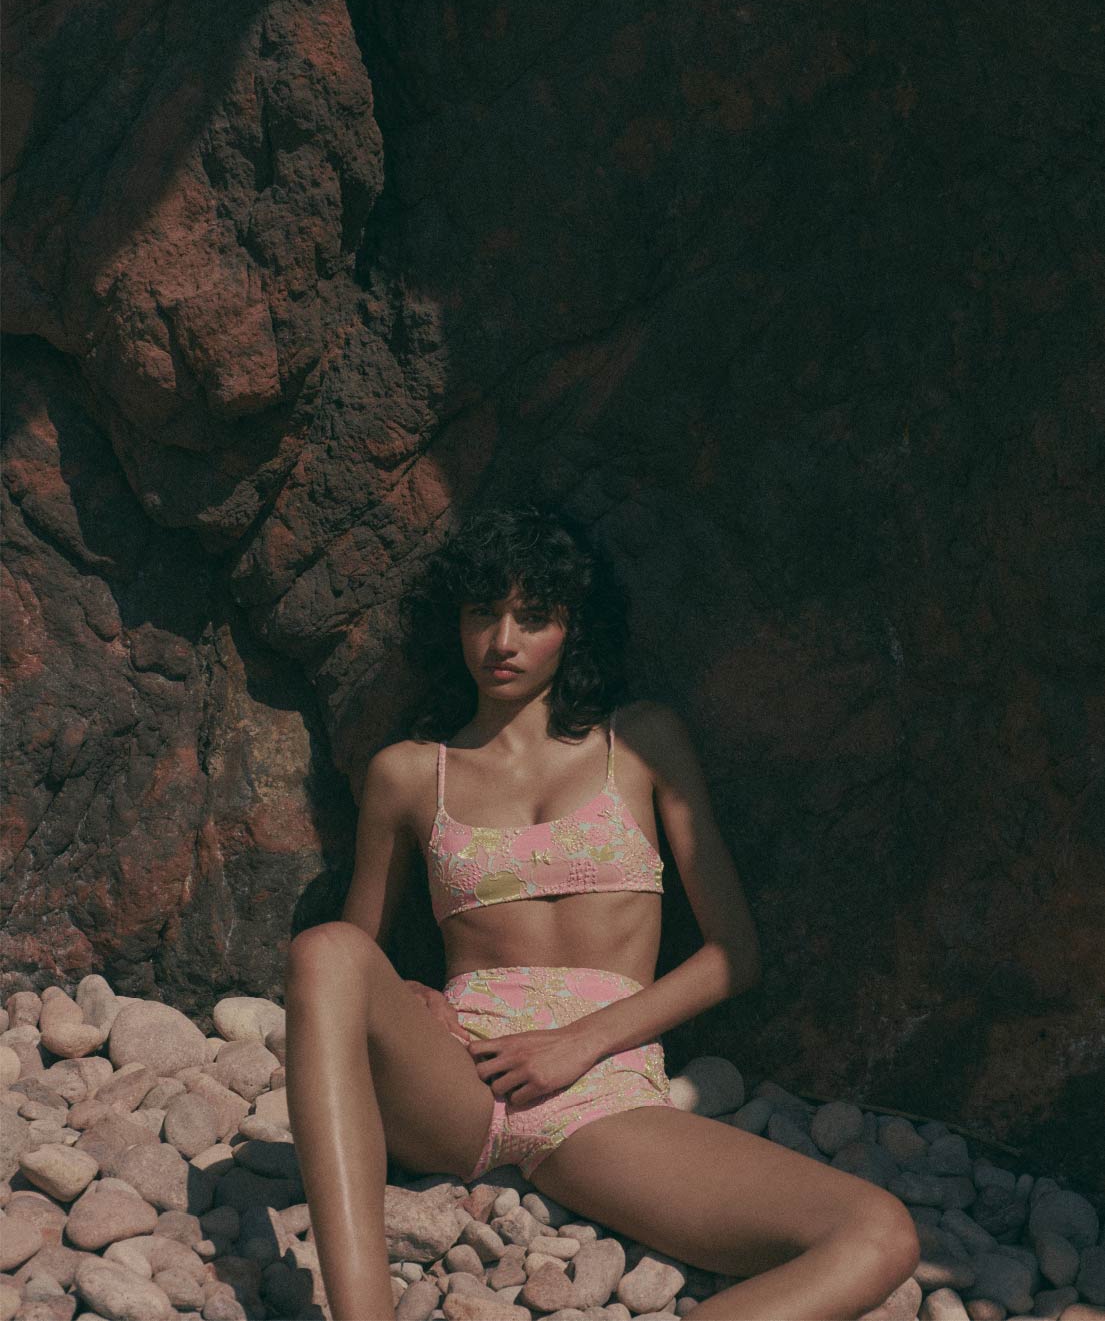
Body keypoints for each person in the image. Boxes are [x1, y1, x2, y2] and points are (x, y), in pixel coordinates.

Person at [284, 504, 919, 1321]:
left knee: (876, 1231)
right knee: (323, 947)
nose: (502, 640)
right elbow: (355, 960)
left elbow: (733, 951)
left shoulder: (644, 741)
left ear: (572, 627)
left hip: (603, 1094)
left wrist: (580, 1041)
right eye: (483, 612)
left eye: (532, 616)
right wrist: (410, 993)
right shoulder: (409, 772)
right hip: (460, 1077)